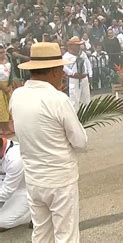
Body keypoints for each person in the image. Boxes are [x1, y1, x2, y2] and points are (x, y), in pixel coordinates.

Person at [9, 42, 87, 242]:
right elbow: (80, 142)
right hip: (60, 180)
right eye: (61, 69)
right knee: (66, 235)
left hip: (34, 179)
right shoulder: (58, 100)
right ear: (54, 71)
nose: (63, 74)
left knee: (41, 234)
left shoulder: (17, 96)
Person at [0, 138, 31, 232]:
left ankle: (34, 213)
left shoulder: (15, 158)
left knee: (2, 222)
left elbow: (7, 191)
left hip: (23, 191)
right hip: (5, 187)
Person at [63, 36, 93, 111]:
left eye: (79, 45)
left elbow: (87, 63)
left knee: (86, 99)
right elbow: (63, 67)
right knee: (74, 100)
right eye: (76, 45)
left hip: (84, 78)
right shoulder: (66, 56)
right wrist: (72, 73)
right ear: (71, 46)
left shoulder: (82, 54)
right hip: (74, 79)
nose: (78, 46)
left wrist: (90, 74)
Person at [0, 44, 13, 135]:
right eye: (0, 53)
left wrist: (10, 85)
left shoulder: (8, 61)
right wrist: (3, 87)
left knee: (9, 106)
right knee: (2, 108)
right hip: (1, 88)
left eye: (3, 52)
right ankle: (3, 128)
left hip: (8, 86)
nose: (2, 55)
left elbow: (12, 75)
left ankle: (9, 126)